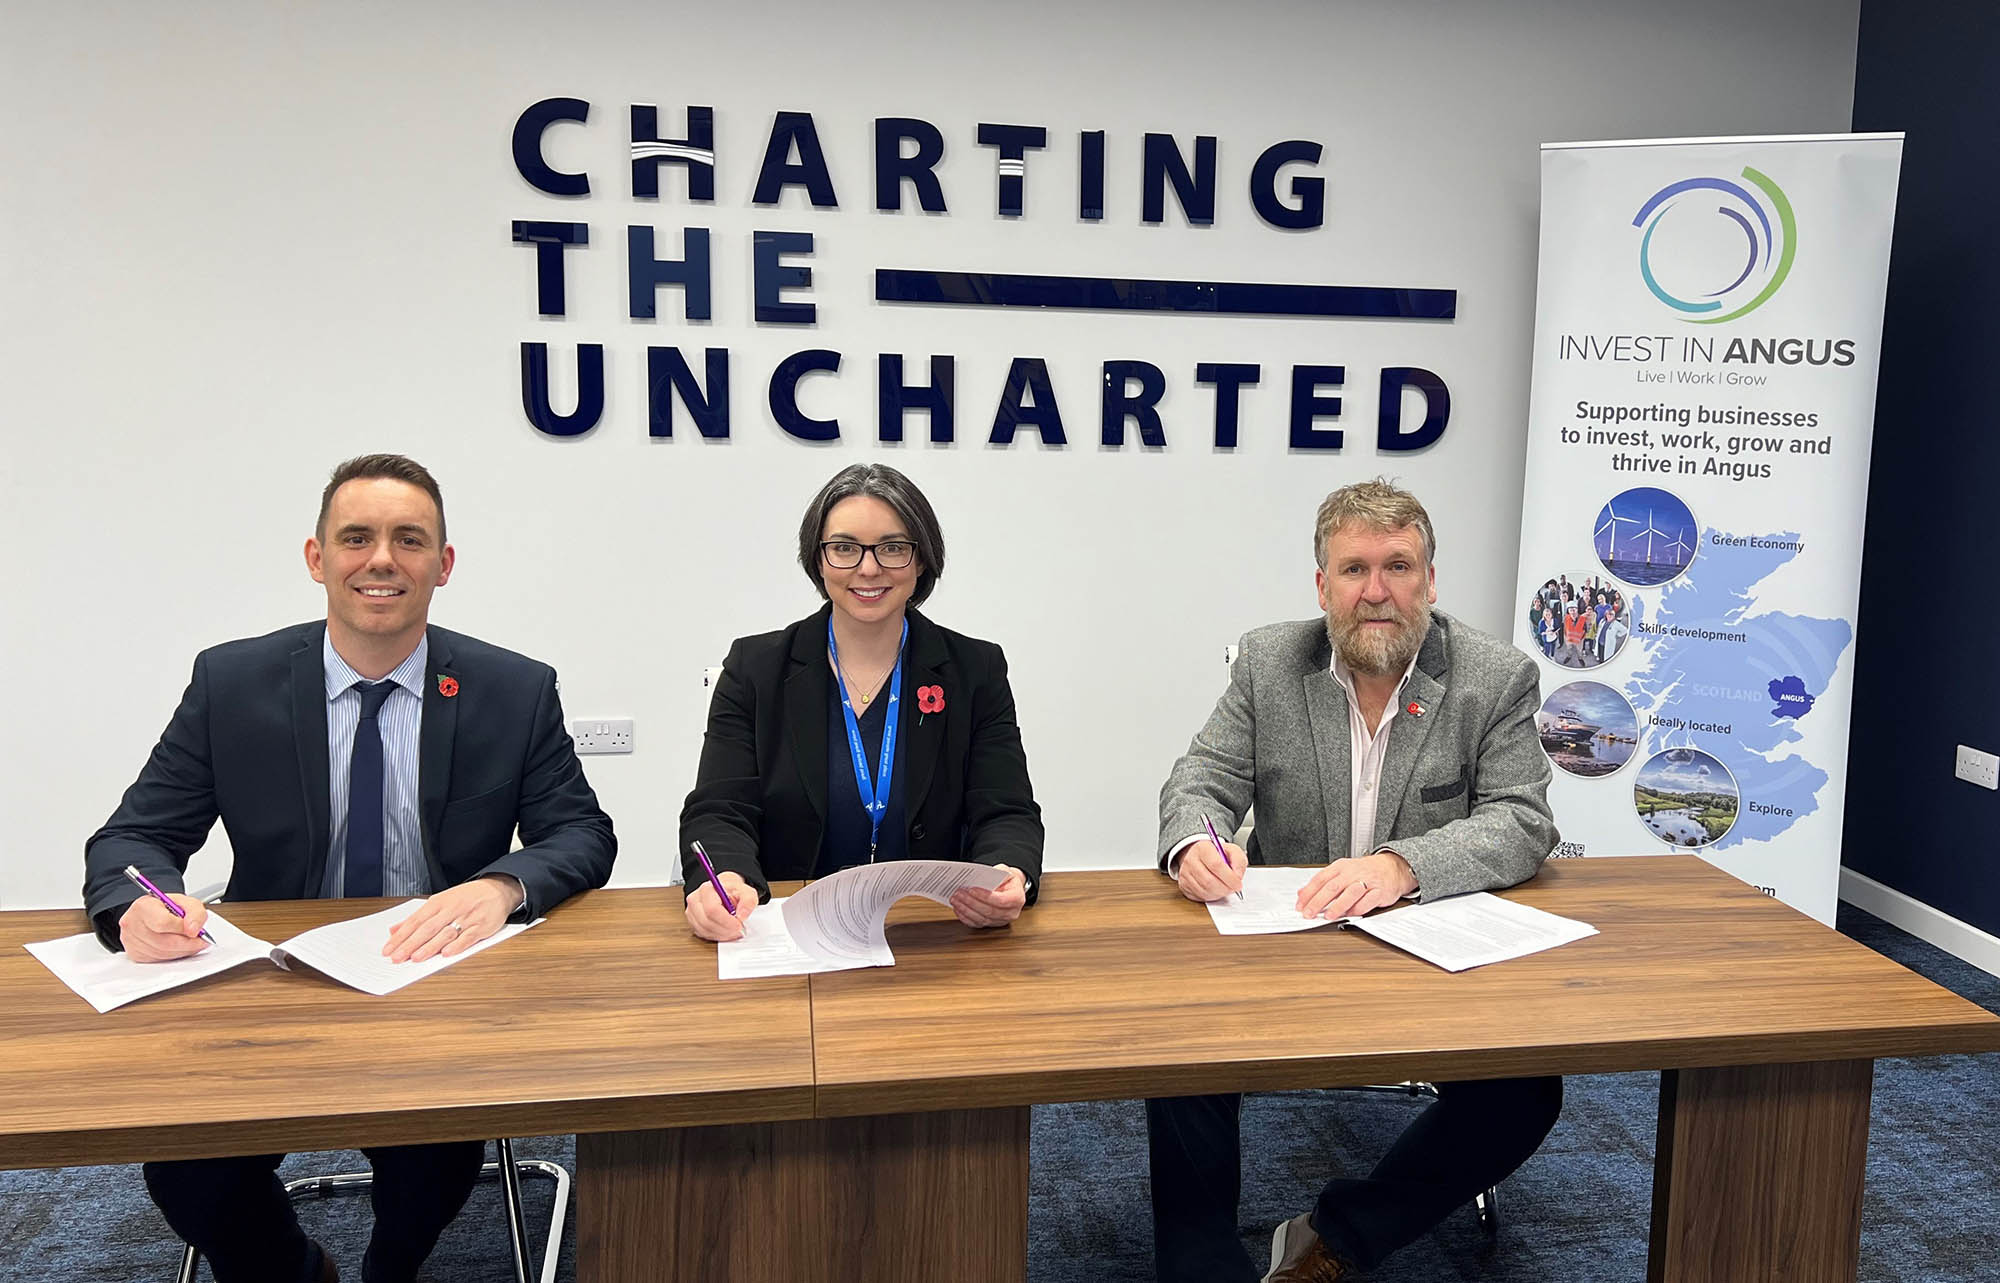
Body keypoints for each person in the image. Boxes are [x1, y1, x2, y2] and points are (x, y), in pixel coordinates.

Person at [83, 454, 617, 1283]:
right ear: (316, 557)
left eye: (409, 540)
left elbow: (581, 832)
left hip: (430, 980)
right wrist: (134, 906)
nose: (381, 560)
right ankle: (298, 1270)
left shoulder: (513, 689)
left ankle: (390, 1267)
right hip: (271, 982)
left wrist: (500, 882)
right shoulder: (233, 682)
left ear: (443, 565)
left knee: (434, 1164)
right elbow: (132, 838)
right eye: (357, 537)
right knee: (187, 1165)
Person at [1148, 479, 1561, 1283]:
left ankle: (1335, 1239)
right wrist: (1194, 843)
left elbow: (1522, 818)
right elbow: (1200, 779)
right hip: (1288, 948)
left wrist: (1404, 864)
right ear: (1322, 586)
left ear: (1431, 581)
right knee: (1180, 1054)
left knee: (1525, 1090)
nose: (1377, 591)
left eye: (1399, 566)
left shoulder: (1494, 676)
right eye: (1354, 569)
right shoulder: (1271, 660)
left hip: (1429, 952)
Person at [679, 462, 1042, 940]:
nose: (868, 568)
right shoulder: (756, 668)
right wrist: (724, 878)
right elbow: (719, 808)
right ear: (819, 559)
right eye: (845, 548)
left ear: (922, 561)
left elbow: (1006, 809)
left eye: (892, 548)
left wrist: (1006, 873)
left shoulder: (975, 669)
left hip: (928, 933)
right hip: (788, 932)